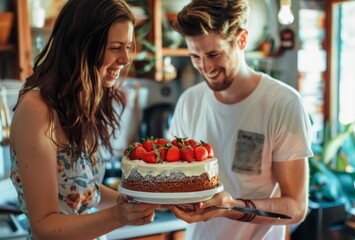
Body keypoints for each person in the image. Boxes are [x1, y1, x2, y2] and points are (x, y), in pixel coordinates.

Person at [9, 0, 159, 239]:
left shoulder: (81, 102)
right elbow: (43, 225)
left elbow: (83, 190)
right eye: (115, 47)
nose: (126, 59)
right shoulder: (37, 109)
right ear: (82, 46)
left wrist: (134, 202)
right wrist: (117, 216)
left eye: (128, 46)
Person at [167, 0, 314, 239]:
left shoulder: (282, 103)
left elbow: (296, 208)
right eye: (195, 56)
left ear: (242, 40)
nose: (205, 67)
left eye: (214, 54)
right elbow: (177, 180)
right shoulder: (189, 101)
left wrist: (231, 207)